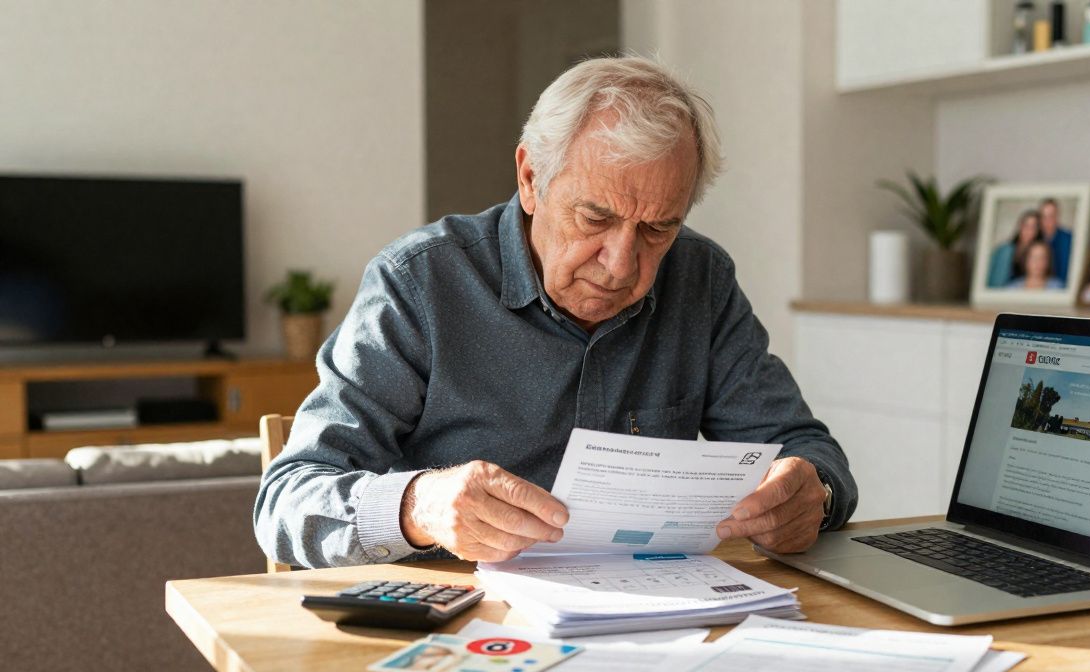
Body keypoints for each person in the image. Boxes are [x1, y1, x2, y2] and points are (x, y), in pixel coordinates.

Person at [254, 56, 857, 568]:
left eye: (658, 229)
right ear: (530, 179)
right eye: (595, 219)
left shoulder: (701, 280)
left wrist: (813, 492)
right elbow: (287, 499)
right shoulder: (420, 283)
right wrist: (421, 506)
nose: (621, 264)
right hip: (464, 626)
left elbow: (805, 450)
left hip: (656, 617)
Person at [986, 209, 1041, 288]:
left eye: (1033, 227)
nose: (1029, 230)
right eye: (1026, 225)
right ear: (1020, 226)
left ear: (1037, 231)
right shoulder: (1004, 250)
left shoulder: (1038, 253)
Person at [1038, 198, 1073, 286]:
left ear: (1057, 217)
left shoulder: (1069, 239)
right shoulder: (1036, 239)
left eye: (1051, 216)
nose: (1047, 221)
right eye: (1044, 217)